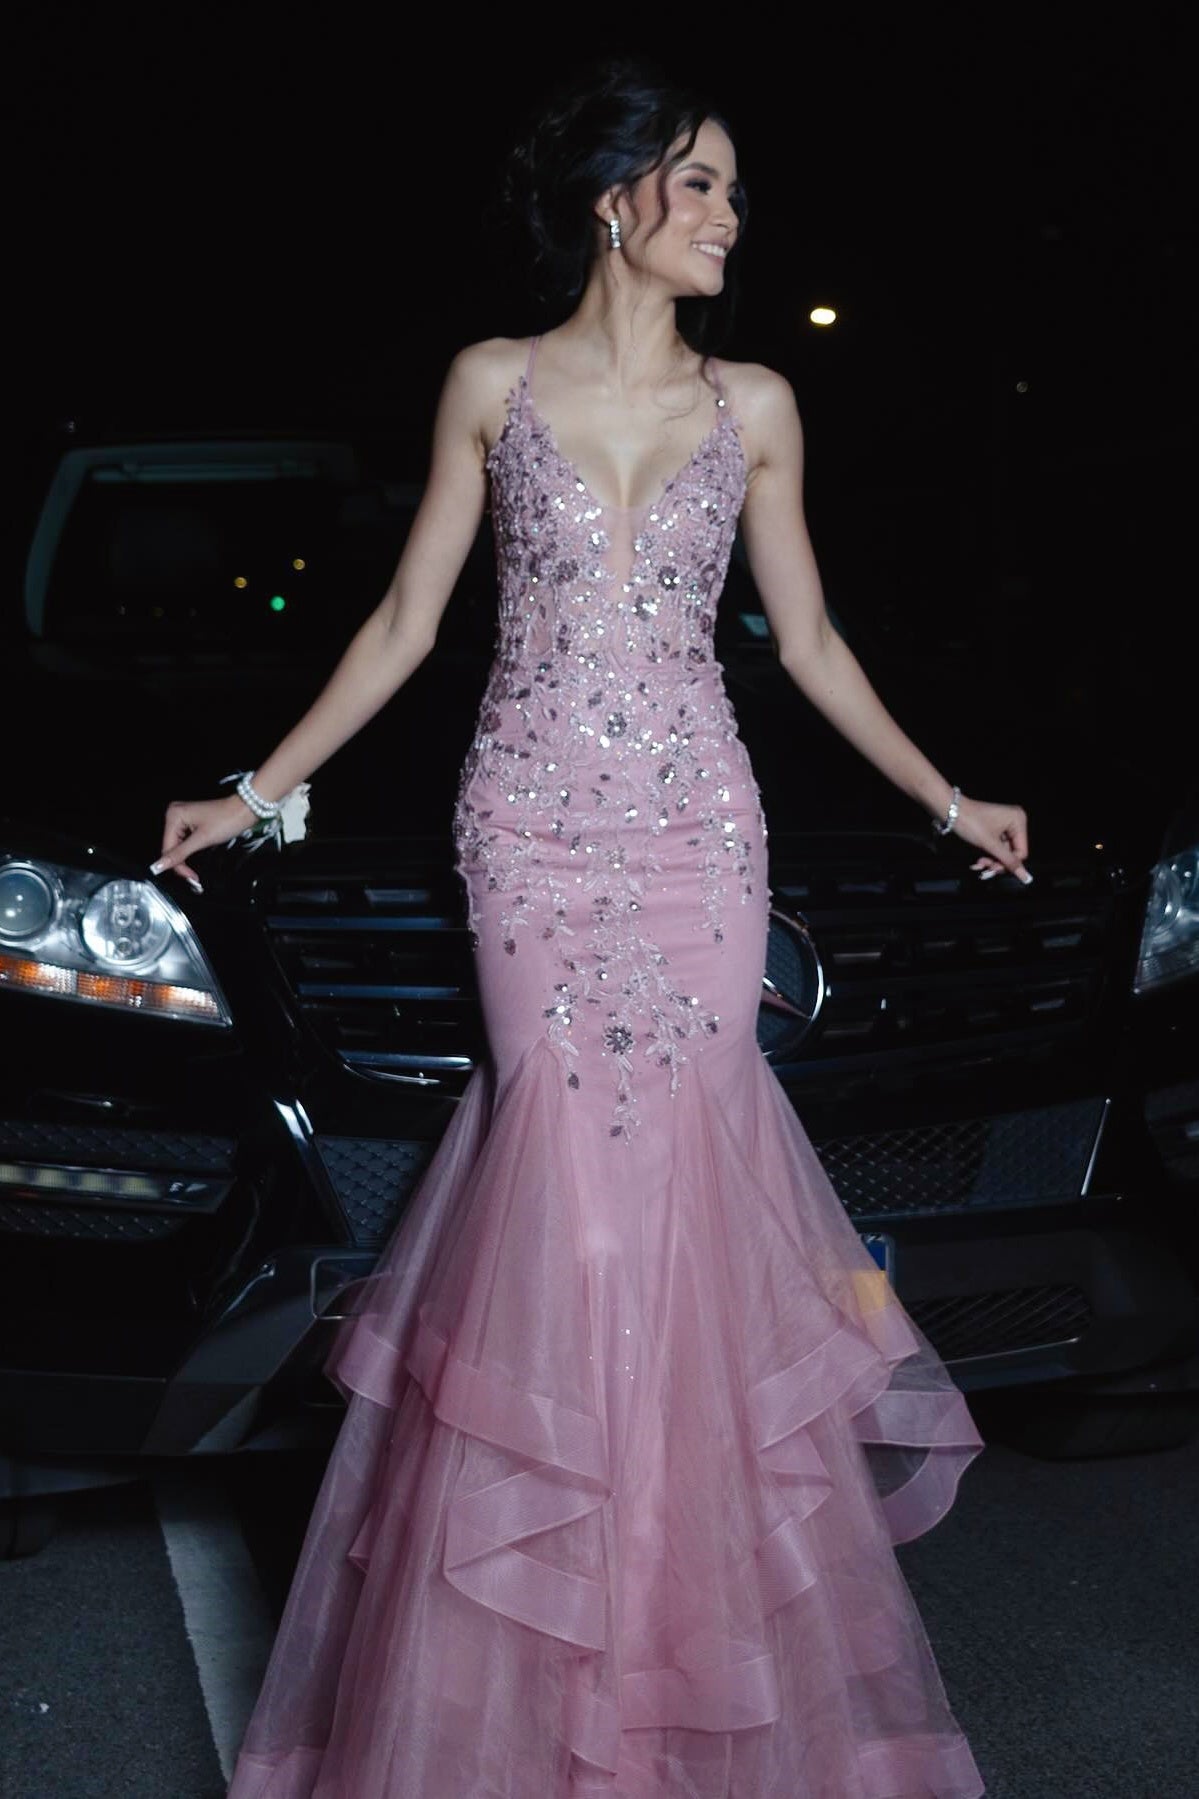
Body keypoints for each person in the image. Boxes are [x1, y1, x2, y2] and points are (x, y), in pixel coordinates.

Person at [155, 55, 1014, 1799]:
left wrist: (948, 798)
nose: (730, 219)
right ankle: (541, 1686)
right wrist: (257, 790)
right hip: (531, 828)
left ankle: (679, 1663)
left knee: (687, 1191)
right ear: (616, 199)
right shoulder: (493, 382)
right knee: (567, 1192)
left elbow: (811, 643)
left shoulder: (758, 403)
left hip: (697, 834)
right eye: (702, 185)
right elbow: (406, 620)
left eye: (736, 192)